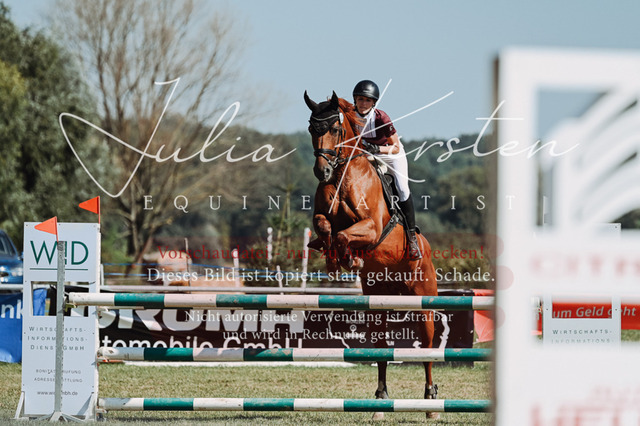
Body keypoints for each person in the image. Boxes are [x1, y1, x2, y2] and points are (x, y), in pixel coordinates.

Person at [352, 79, 422, 260]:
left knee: (402, 188)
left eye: (367, 100)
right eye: (360, 99)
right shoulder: (350, 114)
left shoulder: (381, 118)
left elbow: (396, 147)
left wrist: (376, 149)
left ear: (373, 102)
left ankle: (412, 237)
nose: (363, 103)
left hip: (390, 154)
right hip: (367, 153)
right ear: (355, 100)